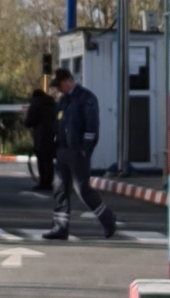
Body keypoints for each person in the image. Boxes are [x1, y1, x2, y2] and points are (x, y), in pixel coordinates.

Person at [38, 68, 115, 241]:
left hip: (78, 151)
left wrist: (85, 149)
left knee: (83, 190)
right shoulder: (65, 101)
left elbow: (92, 125)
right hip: (64, 150)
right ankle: (60, 227)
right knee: (59, 189)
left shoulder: (86, 98)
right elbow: (59, 124)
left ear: (68, 81)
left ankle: (108, 220)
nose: (58, 90)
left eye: (59, 86)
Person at [23, 73, 62, 192]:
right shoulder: (53, 104)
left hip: (40, 136)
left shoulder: (36, 104)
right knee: (49, 160)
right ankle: (49, 182)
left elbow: (30, 120)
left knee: (42, 160)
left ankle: (43, 183)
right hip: (53, 135)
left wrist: (27, 123)